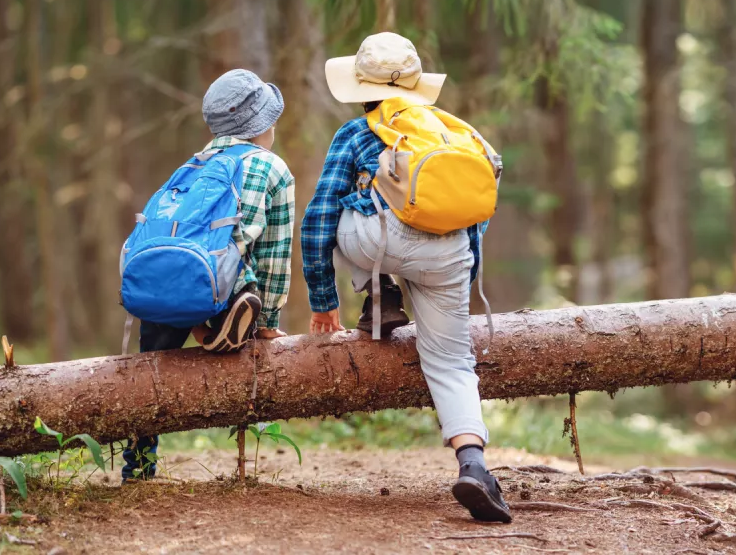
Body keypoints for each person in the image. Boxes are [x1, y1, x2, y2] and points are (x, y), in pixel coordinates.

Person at [301, 32, 511, 523]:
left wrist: (323, 299)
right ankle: (475, 465)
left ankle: (378, 292)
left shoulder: (355, 134)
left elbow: (318, 220)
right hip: (451, 253)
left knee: (347, 212)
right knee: (453, 363)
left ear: (360, 87)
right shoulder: (452, 132)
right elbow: (477, 212)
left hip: (376, 244)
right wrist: (461, 272)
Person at [122, 69, 295, 482]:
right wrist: (270, 322)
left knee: (152, 368)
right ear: (263, 125)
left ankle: (139, 466)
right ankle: (220, 319)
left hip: (162, 281)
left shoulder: (191, 165)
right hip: (224, 282)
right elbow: (275, 253)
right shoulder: (273, 168)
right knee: (240, 277)